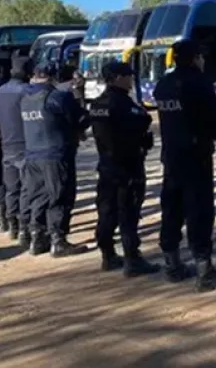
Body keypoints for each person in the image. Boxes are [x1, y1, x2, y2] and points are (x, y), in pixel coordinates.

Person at [154, 40, 216, 292]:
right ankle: (204, 269)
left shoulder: (163, 84)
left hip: (171, 155)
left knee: (172, 207)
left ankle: (172, 263)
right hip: (196, 155)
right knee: (199, 210)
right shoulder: (199, 83)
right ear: (195, 58)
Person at [89, 62, 160, 276]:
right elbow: (144, 122)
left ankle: (108, 254)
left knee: (107, 211)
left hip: (106, 165)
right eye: (128, 75)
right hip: (127, 166)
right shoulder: (123, 104)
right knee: (128, 213)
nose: (131, 79)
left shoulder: (97, 103)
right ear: (118, 77)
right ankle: (132, 258)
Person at [20, 62, 90, 257]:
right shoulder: (57, 96)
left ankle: (37, 238)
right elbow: (81, 119)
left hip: (32, 155)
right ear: (53, 77)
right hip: (56, 154)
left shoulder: (26, 98)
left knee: (38, 197)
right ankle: (58, 241)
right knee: (60, 196)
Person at [0, 53, 33, 246]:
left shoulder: (0, 91)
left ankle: (12, 225)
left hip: (6, 145)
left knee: (11, 189)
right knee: (26, 189)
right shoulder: (27, 91)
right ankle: (25, 229)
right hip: (25, 145)